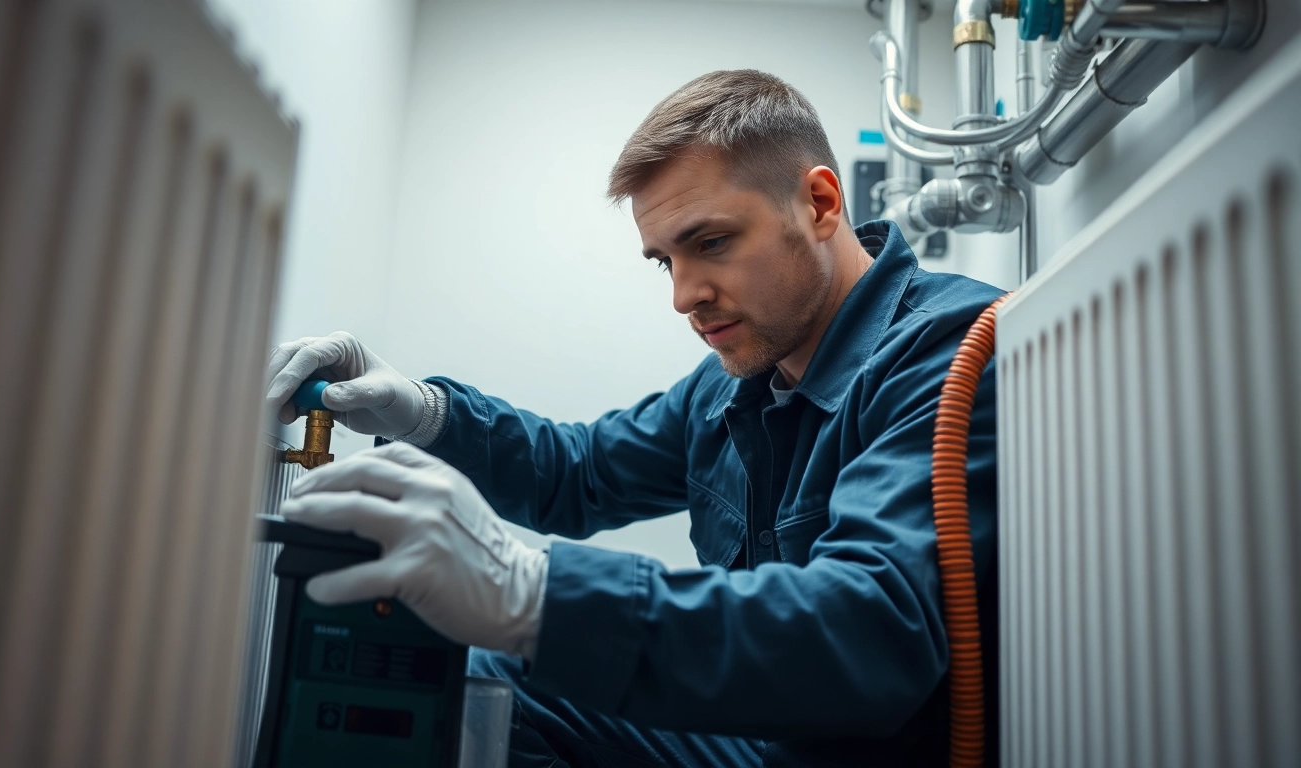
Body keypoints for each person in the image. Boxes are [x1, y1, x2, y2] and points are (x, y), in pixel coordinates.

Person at [267, 70, 1003, 767]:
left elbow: (866, 631)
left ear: (818, 203)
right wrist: (425, 412)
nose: (684, 296)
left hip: (864, 751)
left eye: (710, 243)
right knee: (486, 681)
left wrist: (530, 591)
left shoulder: (947, 353)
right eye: (664, 262)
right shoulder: (730, 386)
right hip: (764, 741)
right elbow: (581, 473)